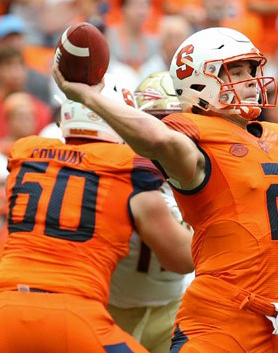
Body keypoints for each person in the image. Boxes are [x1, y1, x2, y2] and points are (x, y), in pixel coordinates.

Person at [53, 26, 278, 352]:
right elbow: (157, 139)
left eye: (251, 70)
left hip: (273, 321)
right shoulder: (196, 140)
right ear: (199, 82)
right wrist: (89, 96)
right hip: (218, 321)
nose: (252, 80)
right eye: (235, 72)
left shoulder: (277, 141)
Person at [0, 75, 194, 352]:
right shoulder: (127, 172)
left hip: (7, 299)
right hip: (78, 310)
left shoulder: (27, 154)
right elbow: (184, 258)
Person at [107, 71, 194, 353]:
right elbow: (184, 258)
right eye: (158, 122)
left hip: (175, 306)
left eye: (179, 124)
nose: (166, 135)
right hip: (112, 307)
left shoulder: (204, 172)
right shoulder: (123, 172)